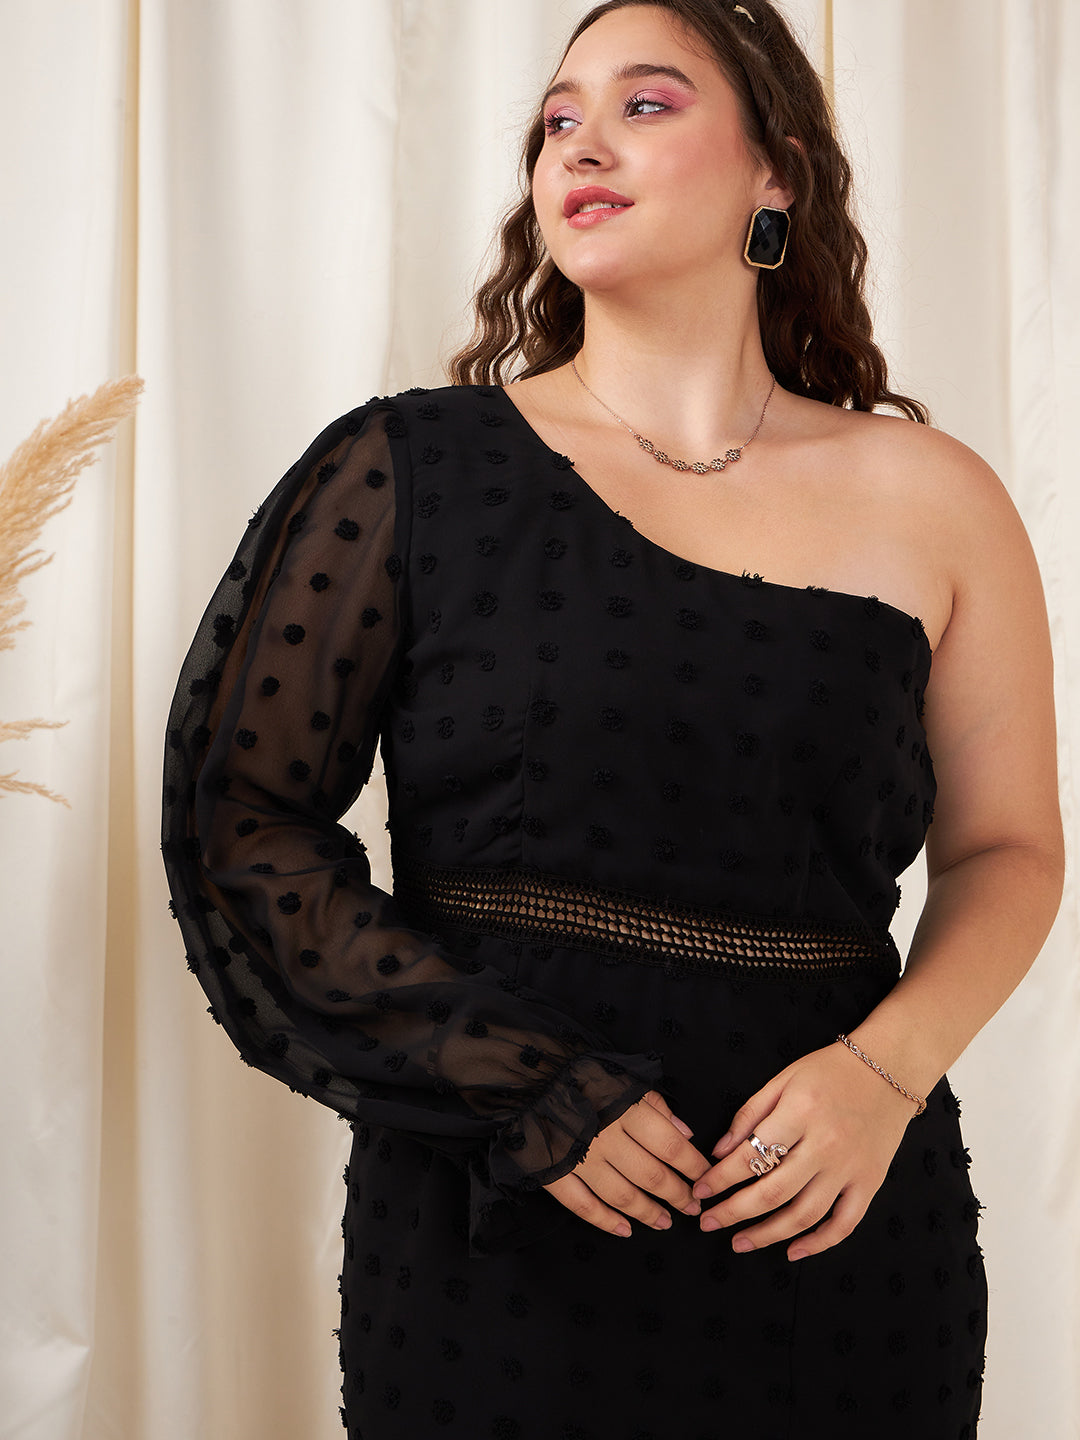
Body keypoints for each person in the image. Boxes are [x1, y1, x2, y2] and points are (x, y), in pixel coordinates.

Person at [160, 2, 1064, 1436]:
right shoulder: (409, 468)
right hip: (500, 1228)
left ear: (777, 171)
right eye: (557, 120)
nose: (580, 143)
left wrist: (883, 1078)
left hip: (833, 1233)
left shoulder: (939, 497)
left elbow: (1009, 849)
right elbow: (239, 825)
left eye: (645, 105)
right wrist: (524, 1092)